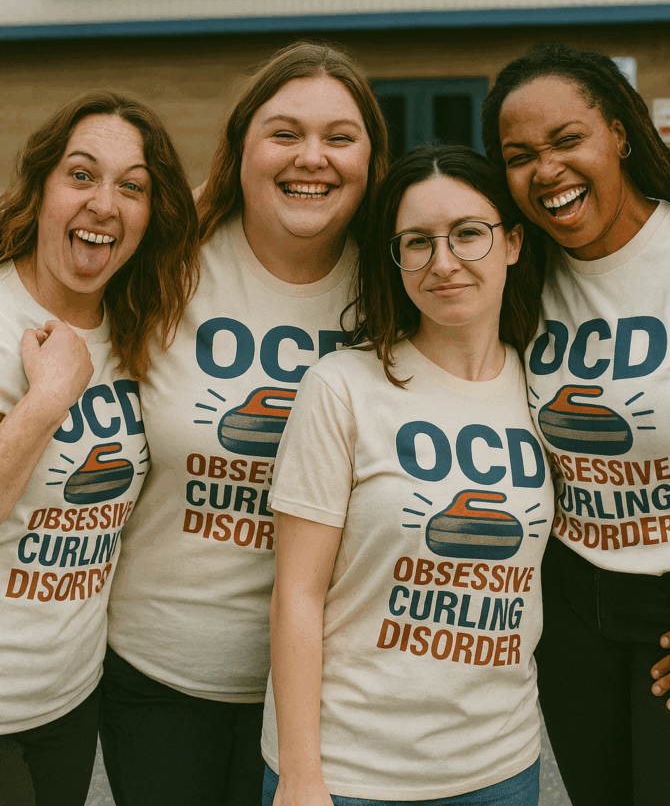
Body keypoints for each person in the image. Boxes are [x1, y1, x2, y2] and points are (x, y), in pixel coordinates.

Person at [100, 41, 389, 806]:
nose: (312, 158)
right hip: (161, 675)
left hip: (338, 687)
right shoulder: (165, 263)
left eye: (340, 136)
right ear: (241, 149)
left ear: (371, 157)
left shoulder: (404, 285)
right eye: (285, 133)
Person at [262, 144, 554, 806]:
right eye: (415, 242)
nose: (442, 262)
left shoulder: (542, 383)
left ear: (511, 242)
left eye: (468, 235)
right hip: (352, 771)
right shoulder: (341, 386)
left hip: (498, 765)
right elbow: (297, 594)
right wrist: (303, 774)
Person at [481, 42, 670, 806]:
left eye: (567, 140)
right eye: (519, 155)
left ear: (619, 134)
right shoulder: (513, 274)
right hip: (571, 607)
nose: (546, 170)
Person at [0, 92, 198, 806]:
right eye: (81, 176)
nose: (104, 205)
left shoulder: (137, 327)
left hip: (66, 704)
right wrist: (49, 398)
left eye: (132, 187)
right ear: (42, 187)